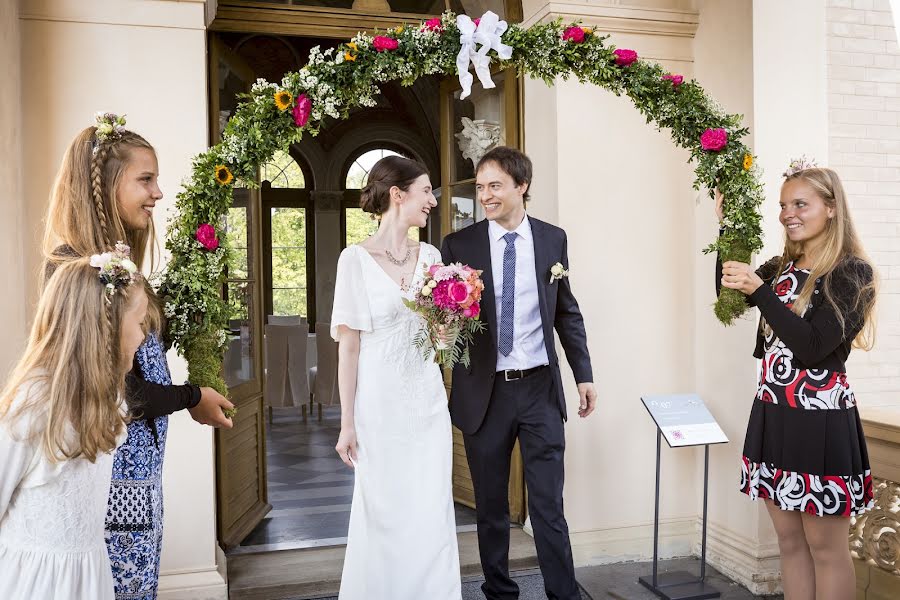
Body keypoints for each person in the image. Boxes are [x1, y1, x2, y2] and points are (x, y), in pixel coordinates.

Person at [41, 113, 234, 599]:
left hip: (139, 473)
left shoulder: (121, 271)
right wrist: (194, 396)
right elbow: (123, 392)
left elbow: (139, 357)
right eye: (145, 180)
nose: (158, 193)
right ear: (106, 187)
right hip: (112, 474)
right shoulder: (79, 273)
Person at [441, 146, 597, 600]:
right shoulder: (459, 245)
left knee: (548, 504)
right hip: (484, 395)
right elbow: (448, 323)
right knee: (490, 507)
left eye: (495, 186)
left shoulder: (553, 239)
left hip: (539, 390)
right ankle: (500, 592)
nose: (485, 195)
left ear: (521, 187)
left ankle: (563, 594)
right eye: (480, 187)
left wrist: (583, 374)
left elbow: (566, 312)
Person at [716, 161, 876, 600]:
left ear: (830, 208)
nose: (789, 213)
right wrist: (730, 228)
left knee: (826, 549)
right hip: (774, 414)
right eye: (784, 205)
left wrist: (760, 291)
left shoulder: (851, 272)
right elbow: (727, 296)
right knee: (788, 542)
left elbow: (812, 347)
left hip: (819, 423)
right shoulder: (783, 265)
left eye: (800, 204)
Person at [332, 155, 461, 599]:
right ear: (397, 195)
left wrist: (447, 332)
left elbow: (441, 344)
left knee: (429, 507)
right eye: (426, 191)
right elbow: (348, 349)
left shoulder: (431, 256)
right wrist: (347, 423)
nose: (433, 200)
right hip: (379, 407)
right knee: (383, 509)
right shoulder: (355, 260)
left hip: (426, 402)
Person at [0, 251, 148, 599]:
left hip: (87, 576)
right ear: (106, 327)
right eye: (139, 323)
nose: (142, 337)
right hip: (33, 584)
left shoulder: (107, 397)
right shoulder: (33, 402)